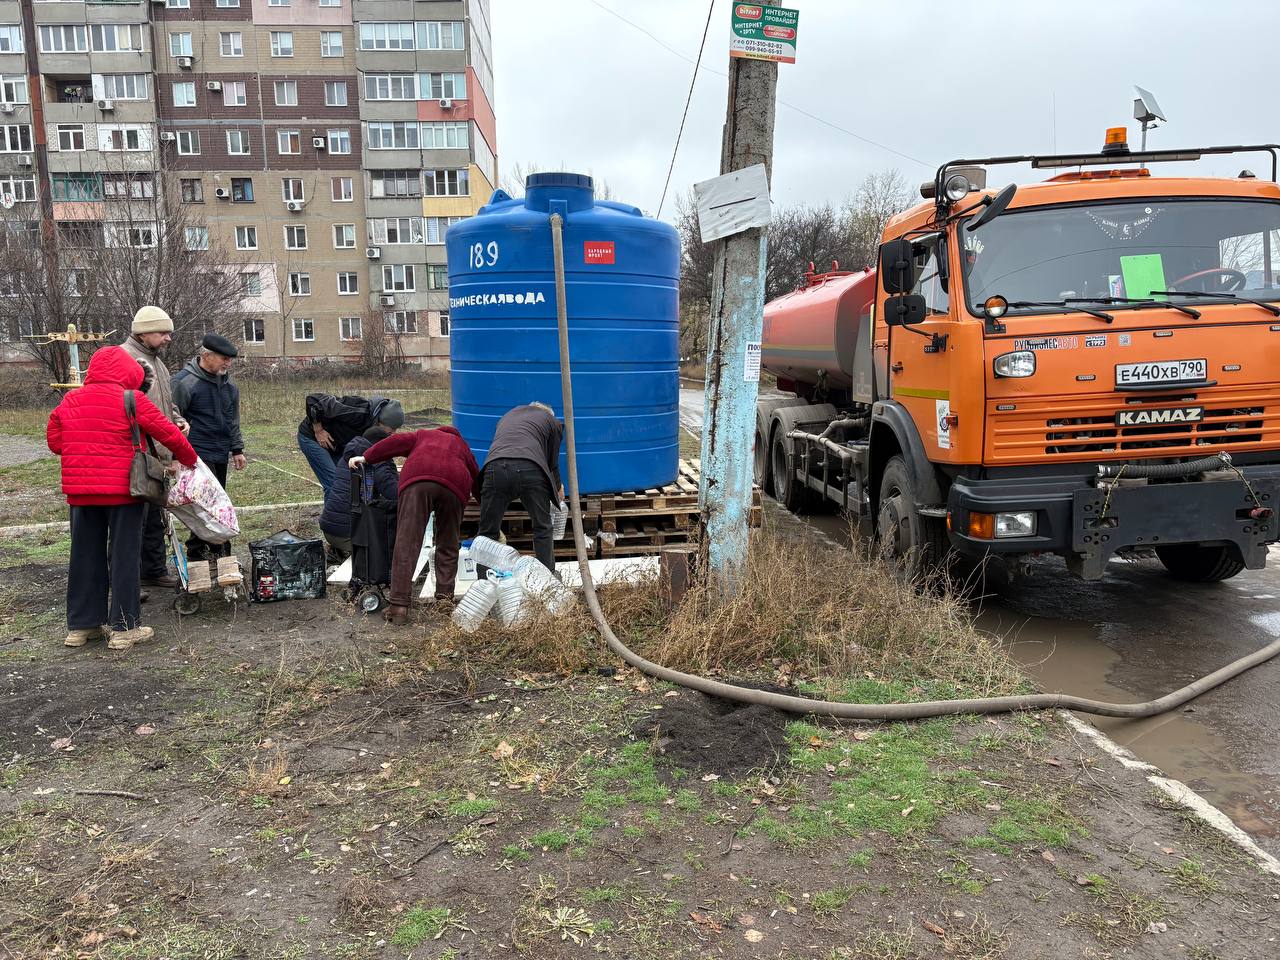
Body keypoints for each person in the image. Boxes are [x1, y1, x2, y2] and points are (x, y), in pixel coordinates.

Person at [47, 347, 198, 651]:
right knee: (124, 557)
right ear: (128, 372)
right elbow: (168, 433)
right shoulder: (132, 399)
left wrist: (85, 449)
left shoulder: (70, 399)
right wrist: (190, 460)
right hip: (123, 492)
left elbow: (56, 443)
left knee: (84, 557)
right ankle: (124, 628)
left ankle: (82, 627)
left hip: (81, 494)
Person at [351, 425, 480, 625]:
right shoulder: (462, 446)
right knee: (448, 544)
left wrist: (367, 457)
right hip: (454, 487)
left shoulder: (423, 435)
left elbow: (394, 443)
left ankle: (398, 607)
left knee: (407, 543)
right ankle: (444, 602)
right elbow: (477, 477)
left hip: (418, 481)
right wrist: (483, 501)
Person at [121, 305, 189, 589]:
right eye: (163, 332)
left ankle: (153, 569)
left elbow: (166, 404)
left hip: (157, 451)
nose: (168, 338)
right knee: (133, 520)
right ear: (144, 332)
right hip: (136, 452)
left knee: (154, 516)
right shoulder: (126, 359)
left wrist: (178, 421)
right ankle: (128, 580)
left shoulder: (157, 363)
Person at [171, 333, 245, 561]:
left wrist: (237, 449)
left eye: (230, 359)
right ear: (206, 355)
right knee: (205, 503)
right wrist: (175, 457)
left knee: (216, 501)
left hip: (220, 451)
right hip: (196, 453)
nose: (228, 363)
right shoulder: (184, 382)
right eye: (224, 358)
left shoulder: (229, 384)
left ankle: (212, 549)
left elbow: (232, 419)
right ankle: (202, 552)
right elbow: (172, 420)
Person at [478, 402, 565, 574]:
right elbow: (552, 463)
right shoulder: (552, 421)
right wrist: (557, 487)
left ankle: (483, 581)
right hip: (531, 468)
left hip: (494, 468)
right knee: (542, 527)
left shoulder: (508, 416)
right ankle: (546, 579)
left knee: (488, 532)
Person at [297, 393, 404, 496]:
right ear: (380, 421)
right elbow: (313, 400)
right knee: (334, 484)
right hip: (312, 438)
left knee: (346, 481)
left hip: (335, 444)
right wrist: (318, 430)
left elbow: (382, 455)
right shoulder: (357, 410)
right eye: (392, 428)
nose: (393, 433)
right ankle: (333, 509)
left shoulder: (376, 428)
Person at [319, 425, 399, 560]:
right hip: (348, 536)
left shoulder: (348, 456)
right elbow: (394, 493)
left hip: (329, 530)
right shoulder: (376, 460)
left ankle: (336, 551)